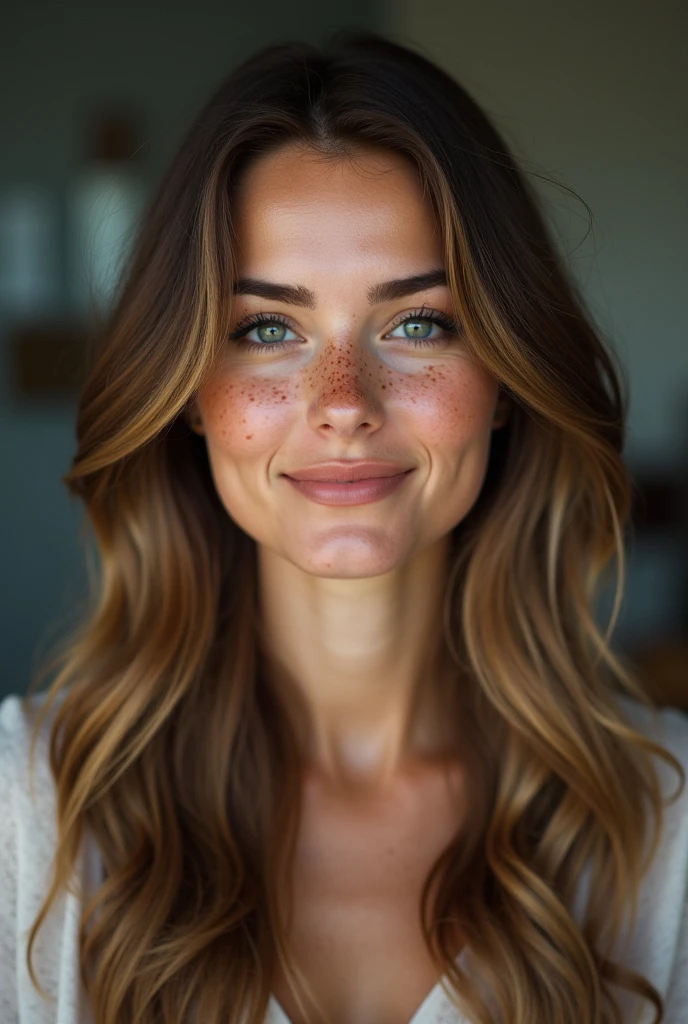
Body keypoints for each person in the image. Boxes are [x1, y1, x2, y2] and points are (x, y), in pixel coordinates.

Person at [0, 30, 686, 1024]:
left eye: (419, 323)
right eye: (266, 329)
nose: (342, 402)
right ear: (189, 390)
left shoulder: (663, 829)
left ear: (503, 380)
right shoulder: (25, 816)